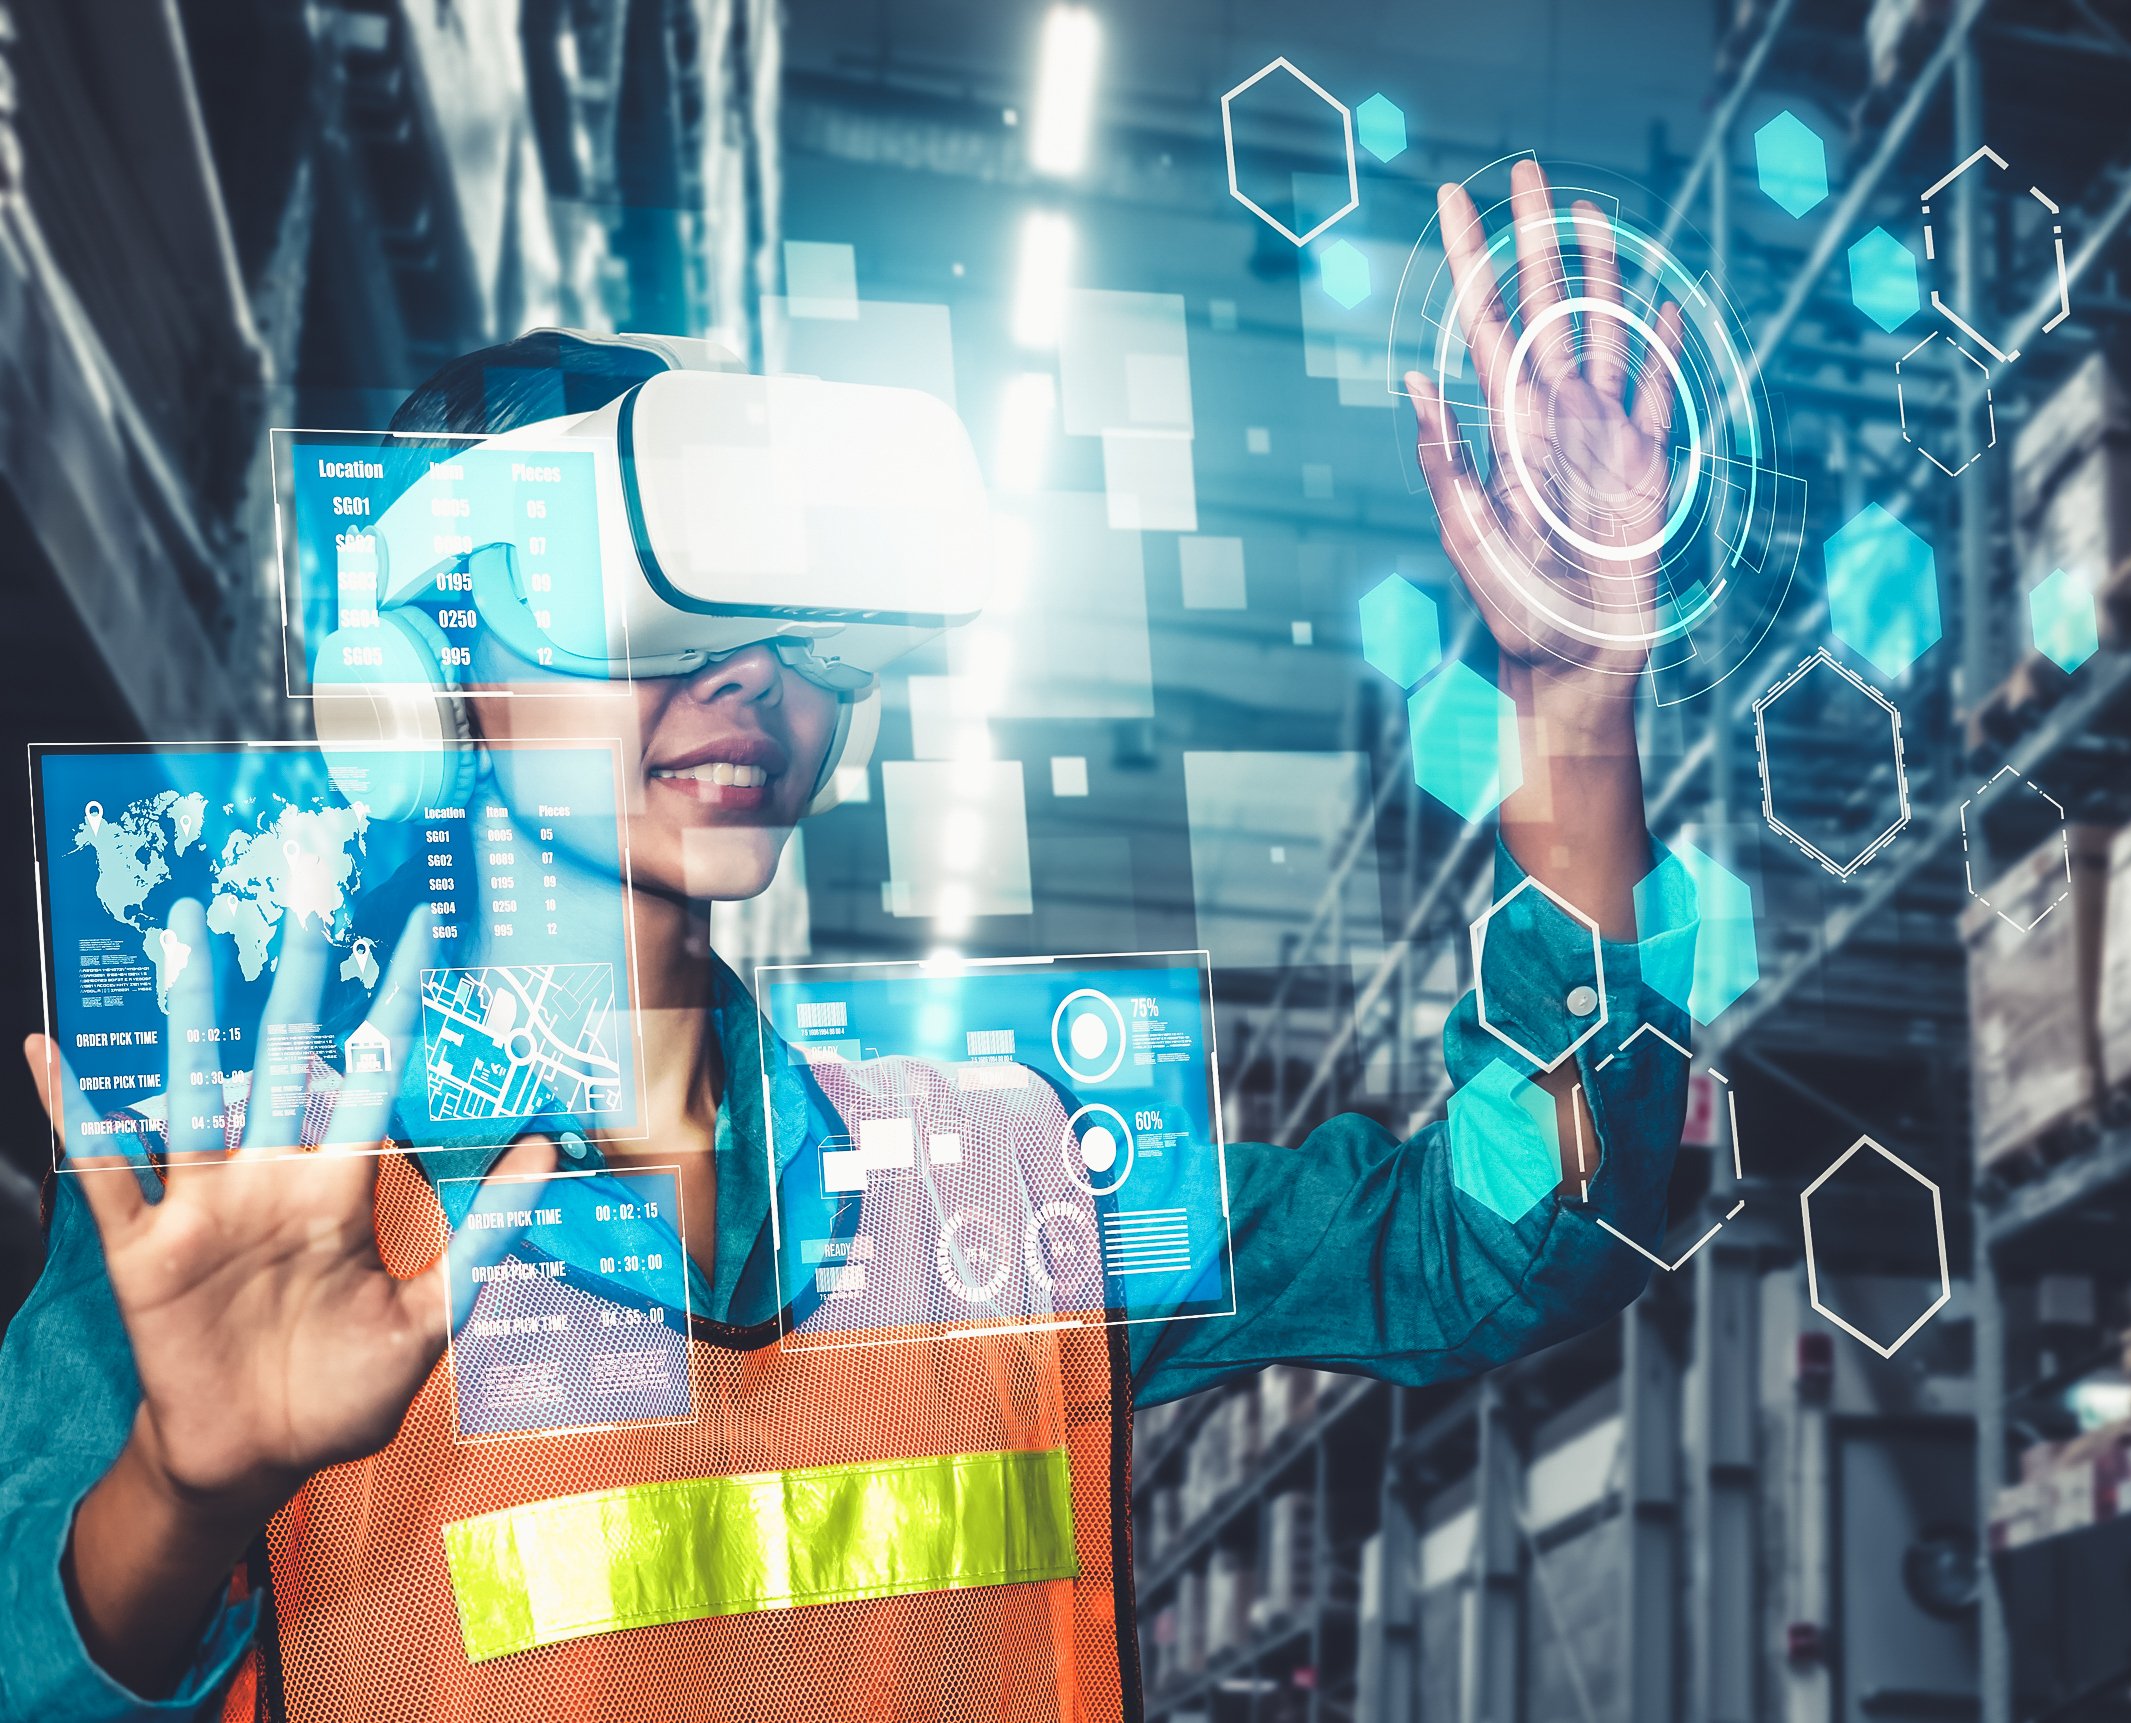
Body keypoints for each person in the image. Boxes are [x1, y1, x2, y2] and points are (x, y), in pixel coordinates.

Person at [0, 160, 1697, 1721]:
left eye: (798, 620)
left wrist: (1573, 700)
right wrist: (181, 1490)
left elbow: (1506, 1243)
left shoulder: (1002, 1187)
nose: (750, 677)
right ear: (430, 670)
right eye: (640, 600)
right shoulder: (240, 1212)